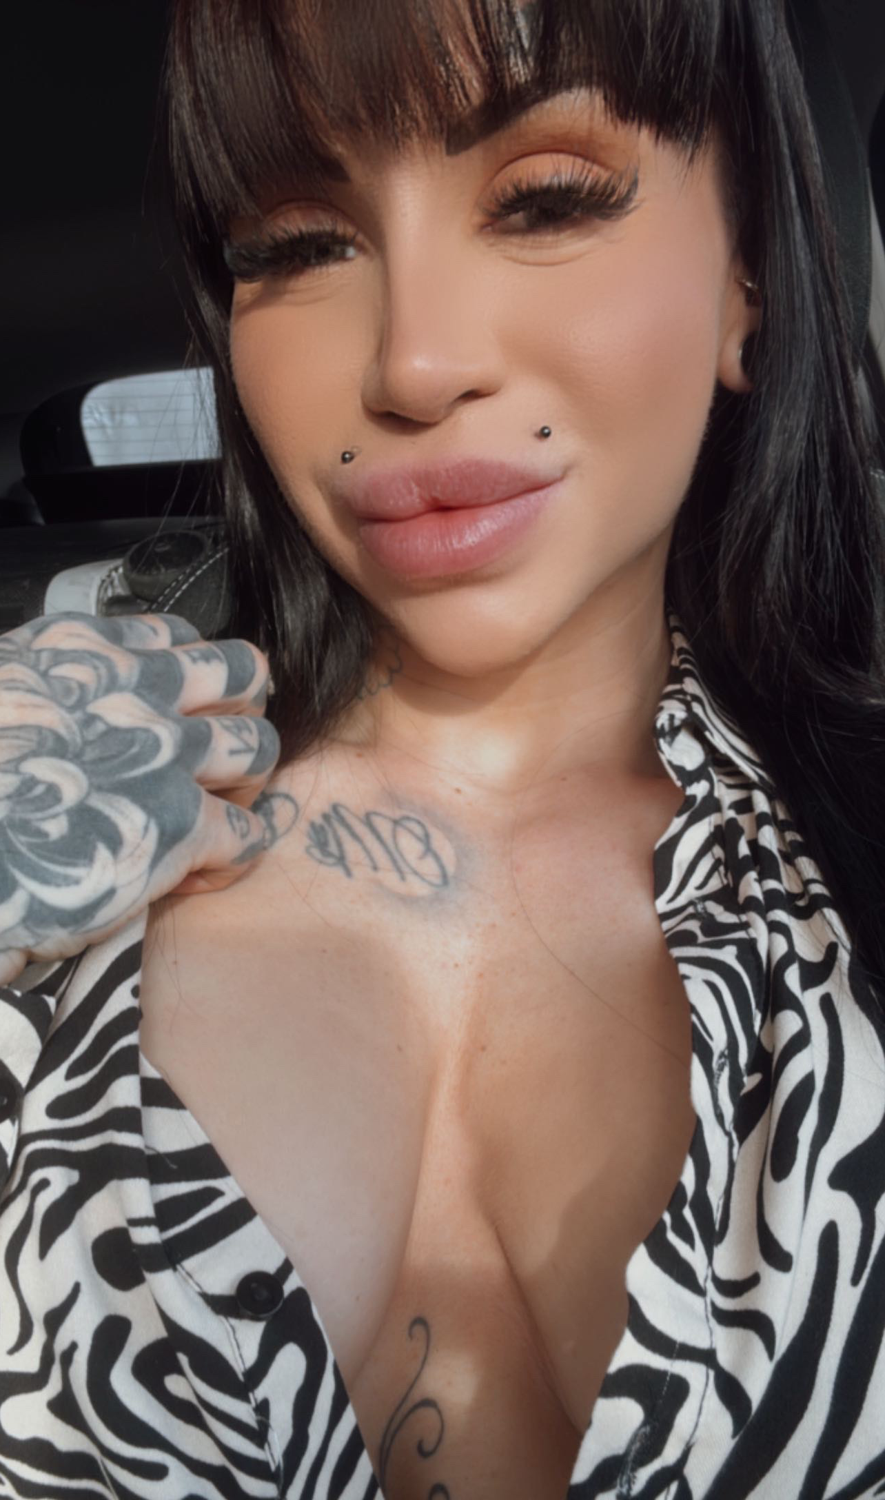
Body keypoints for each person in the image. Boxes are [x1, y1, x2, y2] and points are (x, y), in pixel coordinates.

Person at [1, 0, 884, 1496]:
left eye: (547, 200)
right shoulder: (65, 830)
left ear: (747, 275)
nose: (412, 364)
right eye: (297, 244)